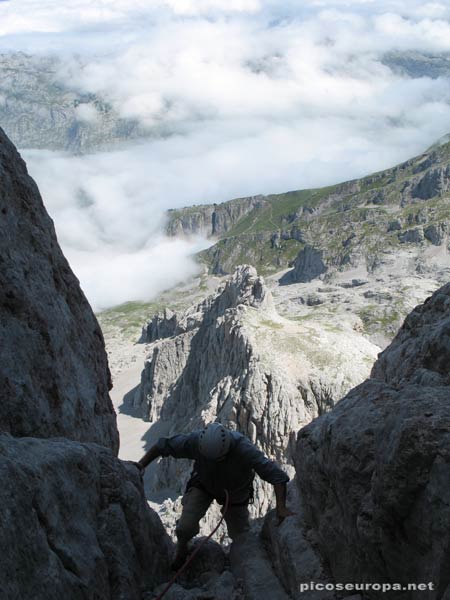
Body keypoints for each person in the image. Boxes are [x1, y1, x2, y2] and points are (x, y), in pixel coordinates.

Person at [137, 422, 294, 569]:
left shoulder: (244, 449)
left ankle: (241, 566)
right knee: (185, 527)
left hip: (235, 492)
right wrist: (140, 465)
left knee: (240, 535)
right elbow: (162, 446)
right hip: (204, 484)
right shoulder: (195, 441)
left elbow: (277, 476)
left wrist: (281, 508)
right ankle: (182, 550)